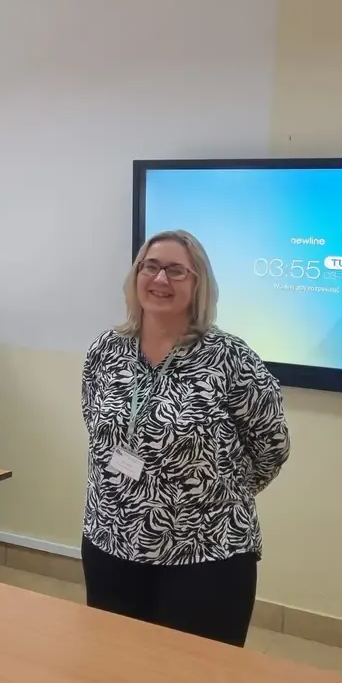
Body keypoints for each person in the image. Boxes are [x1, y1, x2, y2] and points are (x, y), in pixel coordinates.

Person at [81, 229, 289, 647]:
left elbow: (271, 447)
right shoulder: (106, 349)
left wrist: (210, 496)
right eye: (151, 267)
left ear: (198, 284)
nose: (160, 279)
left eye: (176, 271)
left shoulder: (231, 358)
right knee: (113, 670)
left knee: (195, 680)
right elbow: (95, 423)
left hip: (206, 555)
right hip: (111, 542)